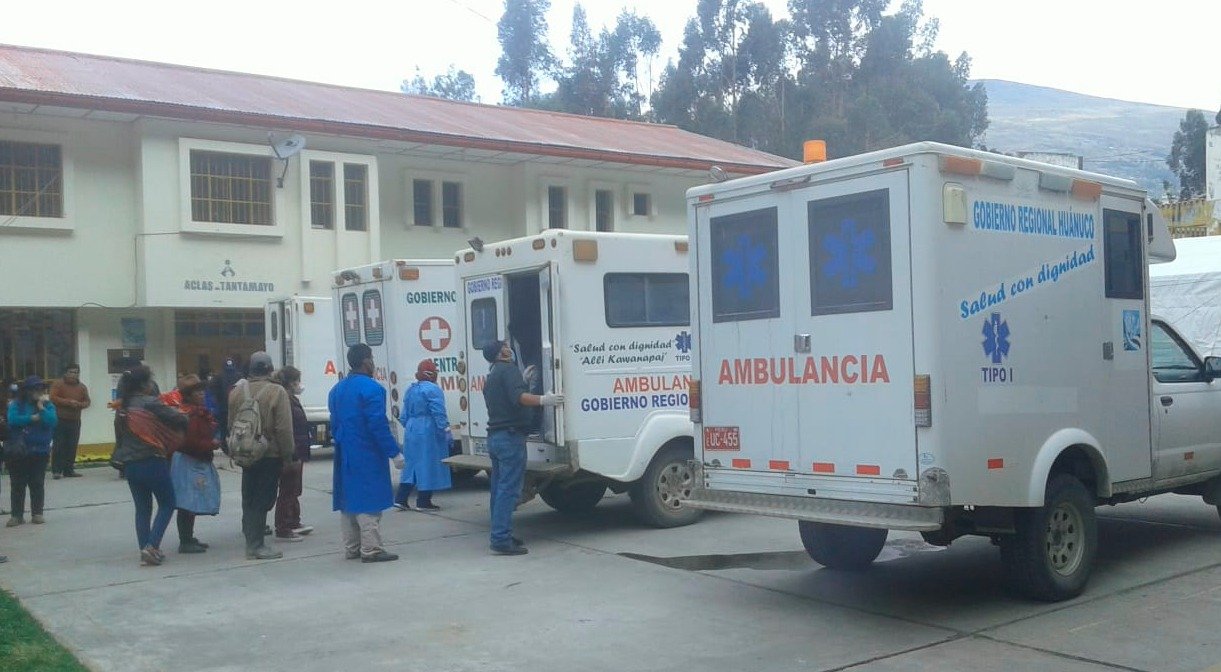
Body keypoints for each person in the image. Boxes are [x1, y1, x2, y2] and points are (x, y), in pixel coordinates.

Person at [481, 340, 563, 555]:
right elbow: (519, 398)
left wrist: (523, 382)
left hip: (496, 438)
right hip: (510, 438)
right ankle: (500, 539)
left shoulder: (492, 375)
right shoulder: (508, 370)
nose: (509, 348)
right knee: (509, 490)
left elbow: (507, 398)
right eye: (505, 346)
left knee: (499, 489)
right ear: (501, 353)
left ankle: (501, 532)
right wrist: (545, 400)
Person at [328, 344, 402, 563]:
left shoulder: (337, 389)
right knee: (369, 500)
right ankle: (371, 549)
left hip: (345, 451)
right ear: (366, 362)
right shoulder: (371, 389)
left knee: (348, 500)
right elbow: (377, 424)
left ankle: (352, 547)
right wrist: (394, 452)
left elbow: (334, 424)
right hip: (367, 453)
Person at [111, 366, 187, 566]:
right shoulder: (150, 403)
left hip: (130, 465)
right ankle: (152, 546)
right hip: (152, 459)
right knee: (168, 502)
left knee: (142, 509)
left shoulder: (122, 408)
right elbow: (178, 418)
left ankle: (145, 548)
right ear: (145, 384)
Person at [227, 352, 295, 561]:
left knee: (248, 497)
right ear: (269, 369)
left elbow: (231, 423)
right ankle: (256, 546)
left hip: (245, 451)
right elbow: (283, 428)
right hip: (269, 453)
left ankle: (251, 541)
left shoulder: (237, 391)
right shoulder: (277, 392)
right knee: (263, 499)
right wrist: (288, 456)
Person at [171, 375, 221, 554]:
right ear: (188, 395)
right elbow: (191, 443)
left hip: (190, 459)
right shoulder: (192, 415)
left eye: (202, 391)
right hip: (189, 460)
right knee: (187, 502)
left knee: (190, 501)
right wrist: (213, 444)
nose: (201, 394)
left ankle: (188, 537)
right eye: (197, 391)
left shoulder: (195, 412)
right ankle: (185, 541)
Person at [394, 359, 453, 512]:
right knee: (428, 464)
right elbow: (438, 411)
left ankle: (401, 498)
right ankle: (423, 501)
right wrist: (445, 430)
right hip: (427, 429)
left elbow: (403, 416)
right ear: (432, 374)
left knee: (411, 465)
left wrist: (411, 427)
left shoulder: (411, 389)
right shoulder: (433, 389)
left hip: (411, 429)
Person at [6, 376, 58, 527]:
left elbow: (52, 421)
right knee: (17, 484)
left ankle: (37, 513)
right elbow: (13, 420)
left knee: (37, 483)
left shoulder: (48, 405)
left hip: (40, 451)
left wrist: (41, 408)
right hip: (19, 451)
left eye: (41, 389)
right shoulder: (17, 404)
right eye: (35, 388)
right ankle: (16, 515)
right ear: (27, 390)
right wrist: (32, 418)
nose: (39, 391)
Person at [271, 366, 314, 542]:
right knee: (288, 489)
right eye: (297, 381)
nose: (299, 385)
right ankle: (283, 526)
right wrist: (291, 452)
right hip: (292, 449)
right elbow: (286, 427)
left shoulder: (289, 398)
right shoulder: (285, 399)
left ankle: (294, 521)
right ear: (290, 383)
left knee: (294, 488)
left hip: (298, 448)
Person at [49, 364, 90, 479]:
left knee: (72, 445)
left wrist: (79, 404)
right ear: (66, 373)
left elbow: (87, 401)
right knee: (59, 445)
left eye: (76, 372)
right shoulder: (58, 384)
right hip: (60, 419)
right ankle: (56, 471)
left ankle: (69, 470)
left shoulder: (82, 387)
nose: (74, 374)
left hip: (75, 420)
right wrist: (68, 402)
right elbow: (53, 397)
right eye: (72, 372)